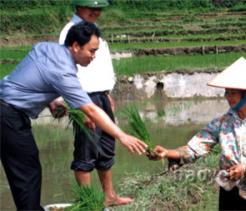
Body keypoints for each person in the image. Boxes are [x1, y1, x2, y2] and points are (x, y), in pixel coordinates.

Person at [0, 22, 147, 210]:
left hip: (5, 106)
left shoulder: (45, 47)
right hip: (8, 116)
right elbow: (91, 110)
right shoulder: (64, 73)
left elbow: (31, 77)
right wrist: (122, 136)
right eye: (92, 51)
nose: (94, 56)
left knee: (24, 170)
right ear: (76, 46)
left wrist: (50, 101)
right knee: (28, 172)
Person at [153, 57, 246, 211]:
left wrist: (245, 169)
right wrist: (168, 153)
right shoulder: (223, 123)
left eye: (234, 92)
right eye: (227, 92)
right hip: (230, 194)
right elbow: (195, 147)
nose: (228, 96)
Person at [57, 0, 130, 206]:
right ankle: (88, 202)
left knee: (106, 146)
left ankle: (109, 196)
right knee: (86, 150)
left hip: (101, 96)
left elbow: (100, 67)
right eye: (91, 8)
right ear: (78, 7)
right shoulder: (70, 32)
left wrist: (107, 93)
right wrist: (80, 108)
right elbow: (67, 73)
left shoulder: (95, 30)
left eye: (98, 8)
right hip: (84, 98)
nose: (95, 12)